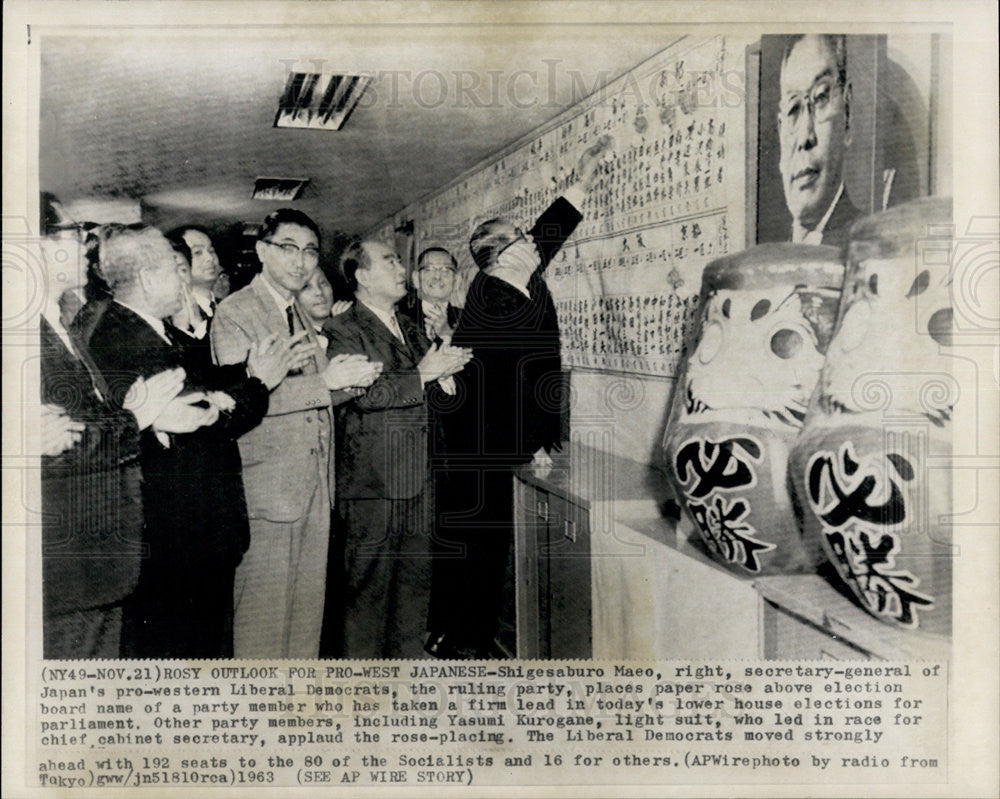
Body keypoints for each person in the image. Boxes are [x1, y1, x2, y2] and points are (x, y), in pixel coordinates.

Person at [426, 135, 612, 659]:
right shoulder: (490, 298)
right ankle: (464, 644)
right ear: (496, 256)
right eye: (518, 239)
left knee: (489, 550)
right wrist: (526, 447)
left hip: (502, 441)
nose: (532, 243)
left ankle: (468, 636)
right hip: (481, 447)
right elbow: (501, 390)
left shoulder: (520, 281)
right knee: (480, 551)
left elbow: (547, 235)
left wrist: (581, 178)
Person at [87, 223, 296, 658]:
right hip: (181, 543)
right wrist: (259, 385)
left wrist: (241, 377)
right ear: (148, 278)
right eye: (174, 268)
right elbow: (201, 419)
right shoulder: (125, 340)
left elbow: (201, 382)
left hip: (190, 537)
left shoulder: (138, 327)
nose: (184, 277)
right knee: (187, 655)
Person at [211, 209, 380, 658]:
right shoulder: (236, 312)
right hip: (268, 490)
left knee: (306, 616)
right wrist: (326, 384)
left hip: (313, 488)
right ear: (263, 251)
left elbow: (314, 394)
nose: (301, 261)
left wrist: (349, 382)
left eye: (309, 251)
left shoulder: (296, 312)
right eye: (288, 248)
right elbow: (241, 404)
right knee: (263, 619)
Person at [38, 199, 192, 659]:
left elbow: (77, 425)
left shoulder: (59, 323)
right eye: (71, 231)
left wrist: (145, 415)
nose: (85, 242)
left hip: (100, 562)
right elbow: (56, 442)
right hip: (71, 568)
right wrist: (135, 419)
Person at [325, 238, 472, 658]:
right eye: (389, 260)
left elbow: (432, 388)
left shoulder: (408, 326)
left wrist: (446, 376)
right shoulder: (342, 329)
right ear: (362, 275)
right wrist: (424, 375)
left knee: (413, 587)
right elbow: (362, 395)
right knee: (367, 594)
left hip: (418, 477)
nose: (400, 267)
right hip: (373, 483)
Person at [777, 34, 863, 248]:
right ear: (780, 133)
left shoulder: (869, 250)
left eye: (821, 97)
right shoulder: (765, 266)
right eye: (793, 109)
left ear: (848, 115)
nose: (805, 136)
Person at [400, 247, 463, 343]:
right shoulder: (400, 319)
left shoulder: (472, 320)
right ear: (416, 279)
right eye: (428, 270)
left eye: (445, 270)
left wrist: (447, 335)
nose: (437, 276)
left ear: (457, 281)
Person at [298, 263, 352, 350]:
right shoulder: (297, 341)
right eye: (306, 287)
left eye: (323, 283)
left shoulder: (351, 320)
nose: (319, 292)